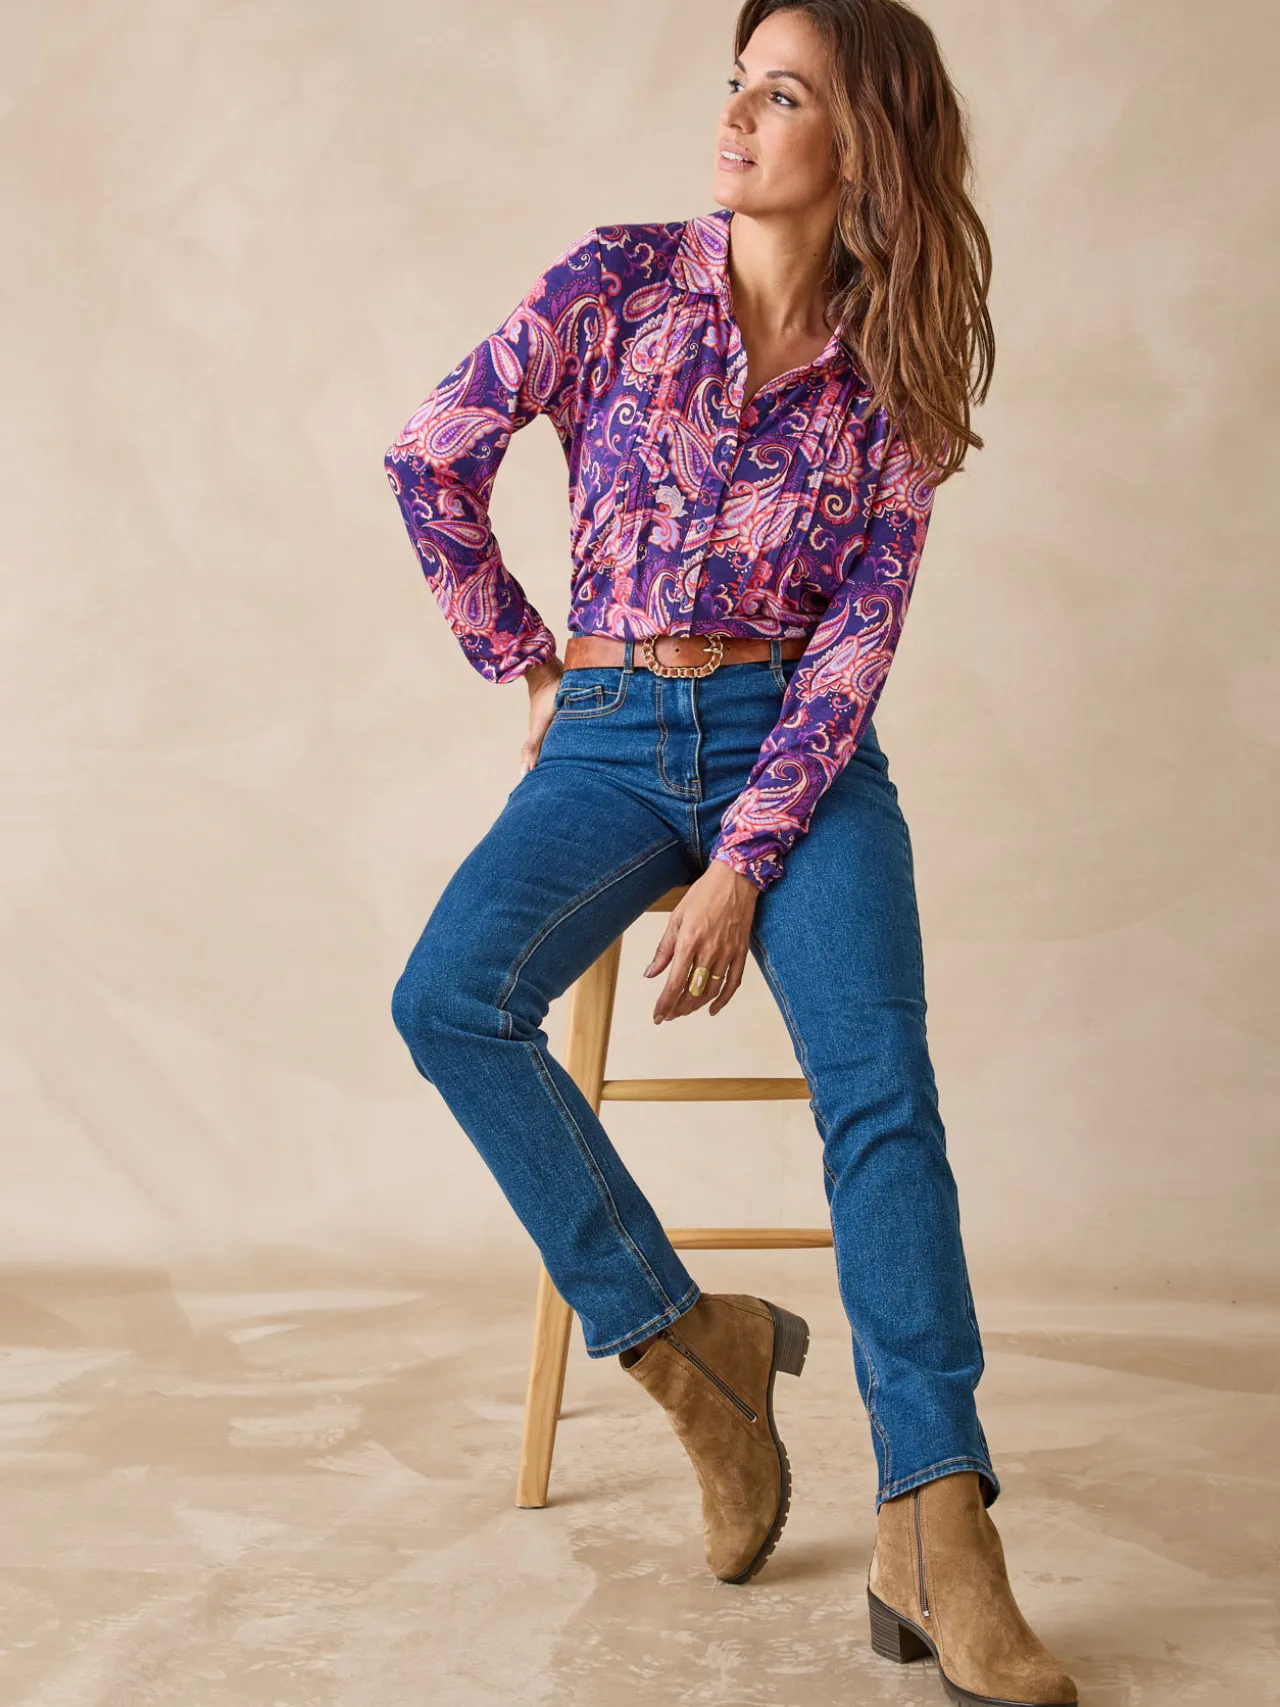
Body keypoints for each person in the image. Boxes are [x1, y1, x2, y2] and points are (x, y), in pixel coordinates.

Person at [383, 3, 1077, 1703]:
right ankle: (691, 1346)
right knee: (448, 999)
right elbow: (429, 454)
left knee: (882, 1090)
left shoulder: (894, 367)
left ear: (861, 146)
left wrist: (746, 859)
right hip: (613, 730)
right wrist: (528, 662)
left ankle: (938, 1519)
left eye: (784, 94)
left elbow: (857, 644)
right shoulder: (615, 282)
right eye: (737, 85)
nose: (739, 118)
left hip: (801, 751)